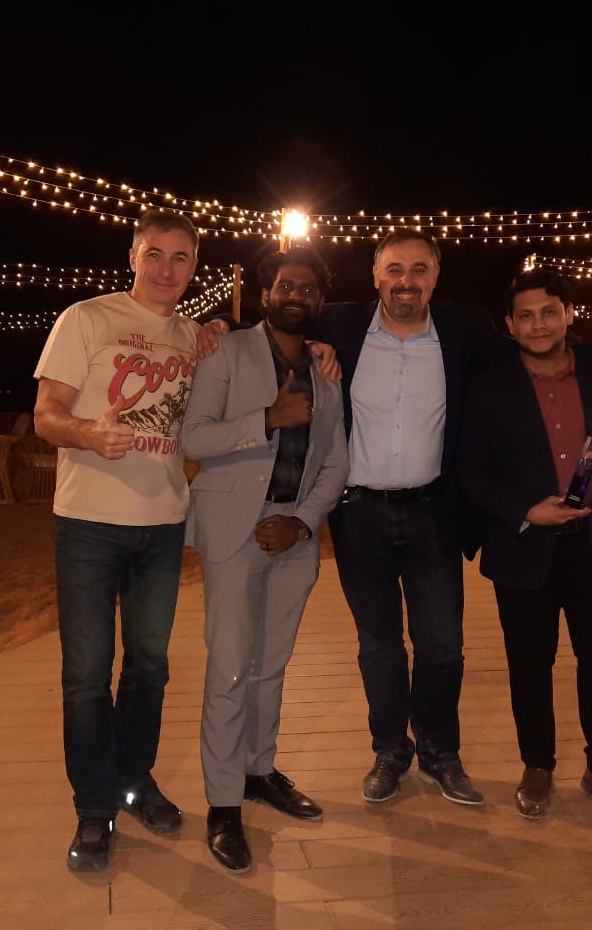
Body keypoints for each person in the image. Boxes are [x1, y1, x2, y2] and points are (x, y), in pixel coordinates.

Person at [308, 231, 592, 808]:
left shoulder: (464, 330)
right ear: (375, 275)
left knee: (442, 645)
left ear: (435, 278)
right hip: (358, 513)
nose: (406, 281)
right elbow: (273, 327)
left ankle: (441, 755)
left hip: (435, 512)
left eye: (419, 269)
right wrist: (215, 326)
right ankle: (390, 752)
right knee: (379, 645)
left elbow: (541, 344)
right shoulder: (339, 325)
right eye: (395, 269)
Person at [456, 268, 592, 828]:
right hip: (524, 550)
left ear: (568, 314)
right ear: (509, 324)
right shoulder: (490, 386)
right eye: (525, 315)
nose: (539, 324)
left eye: (549, 312)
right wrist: (525, 511)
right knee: (529, 667)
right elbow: (470, 471)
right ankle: (537, 767)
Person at [32, 208, 203, 873]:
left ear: (194, 267)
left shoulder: (195, 337)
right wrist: (88, 434)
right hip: (88, 523)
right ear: (133, 256)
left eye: (180, 258)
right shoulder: (86, 318)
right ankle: (94, 807)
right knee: (86, 675)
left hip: (162, 524)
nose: (165, 269)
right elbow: (46, 416)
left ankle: (134, 781)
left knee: (149, 667)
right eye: (154, 254)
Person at [180, 245, 348, 873]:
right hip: (234, 532)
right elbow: (192, 437)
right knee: (229, 668)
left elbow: (337, 461)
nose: (295, 295)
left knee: (271, 666)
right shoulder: (225, 350)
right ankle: (223, 803)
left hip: (293, 535)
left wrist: (302, 523)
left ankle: (258, 771)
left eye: (307, 288)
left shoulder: (327, 369)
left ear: (319, 299)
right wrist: (268, 418)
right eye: (285, 286)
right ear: (266, 293)